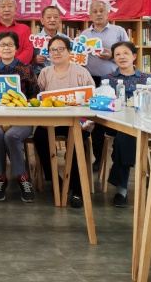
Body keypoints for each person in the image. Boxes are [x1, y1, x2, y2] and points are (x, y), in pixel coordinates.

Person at [33, 35, 95, 209]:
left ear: (69, 52)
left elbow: (92, 100)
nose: (56, 53)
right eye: (53, 50)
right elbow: (39, 99)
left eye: (61, 49)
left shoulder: (81, 72)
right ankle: (56, 180)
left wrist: (85, 120)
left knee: (77, 142)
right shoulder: (45, 73)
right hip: (52, 122)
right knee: (39, 137)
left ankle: (77, 189)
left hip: (77, 121)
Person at [0, 31, 40, 202]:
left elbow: (34, 95)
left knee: (11, 135)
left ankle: (22, 177)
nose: (6, 48)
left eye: (10, 44)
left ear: (16, 48)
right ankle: (0, 178)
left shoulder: (26, 69)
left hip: (21, 118)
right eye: (2, 45)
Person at [81, 0, 130, 171]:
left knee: (117, 117)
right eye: (94, 11)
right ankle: (99, 158)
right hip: (92, 81)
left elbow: (129, 53)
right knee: (96, 121)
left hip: (115, 81)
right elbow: (78, 57)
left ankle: (118, 158)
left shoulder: (118, 31)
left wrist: (111, 56)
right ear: (90, 15)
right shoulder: (84, 34)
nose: (98, 14)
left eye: (101, 10)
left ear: (108, 13)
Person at [103, 41, 151, 208]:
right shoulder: (108, 79)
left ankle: (121, 188)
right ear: (113, 58)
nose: (121, 57)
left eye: (125, 53)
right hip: (113, 123)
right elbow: (102, 103)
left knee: (125, 137)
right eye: (117, 54)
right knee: (125, 134)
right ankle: (123, 185)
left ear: (134, 56)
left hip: (142, 124)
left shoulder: (147, 79)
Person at [0, 0, 33, 65]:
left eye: (10, 6)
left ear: (15, 9)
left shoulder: (25, 29)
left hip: (20, 68)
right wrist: (1, 64)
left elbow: (28, 50)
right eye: (3, 6)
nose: (6, 9)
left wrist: (14, 64)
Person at [31, 6, 67, 75]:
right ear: (42, 21)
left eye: (56, 17)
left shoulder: (66, 39)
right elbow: (27, 60)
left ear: (60, 20)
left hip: (62, 74)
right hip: (40, 74)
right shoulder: (34, 39)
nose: (52, 20)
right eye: (48, 17)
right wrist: (34, 60)